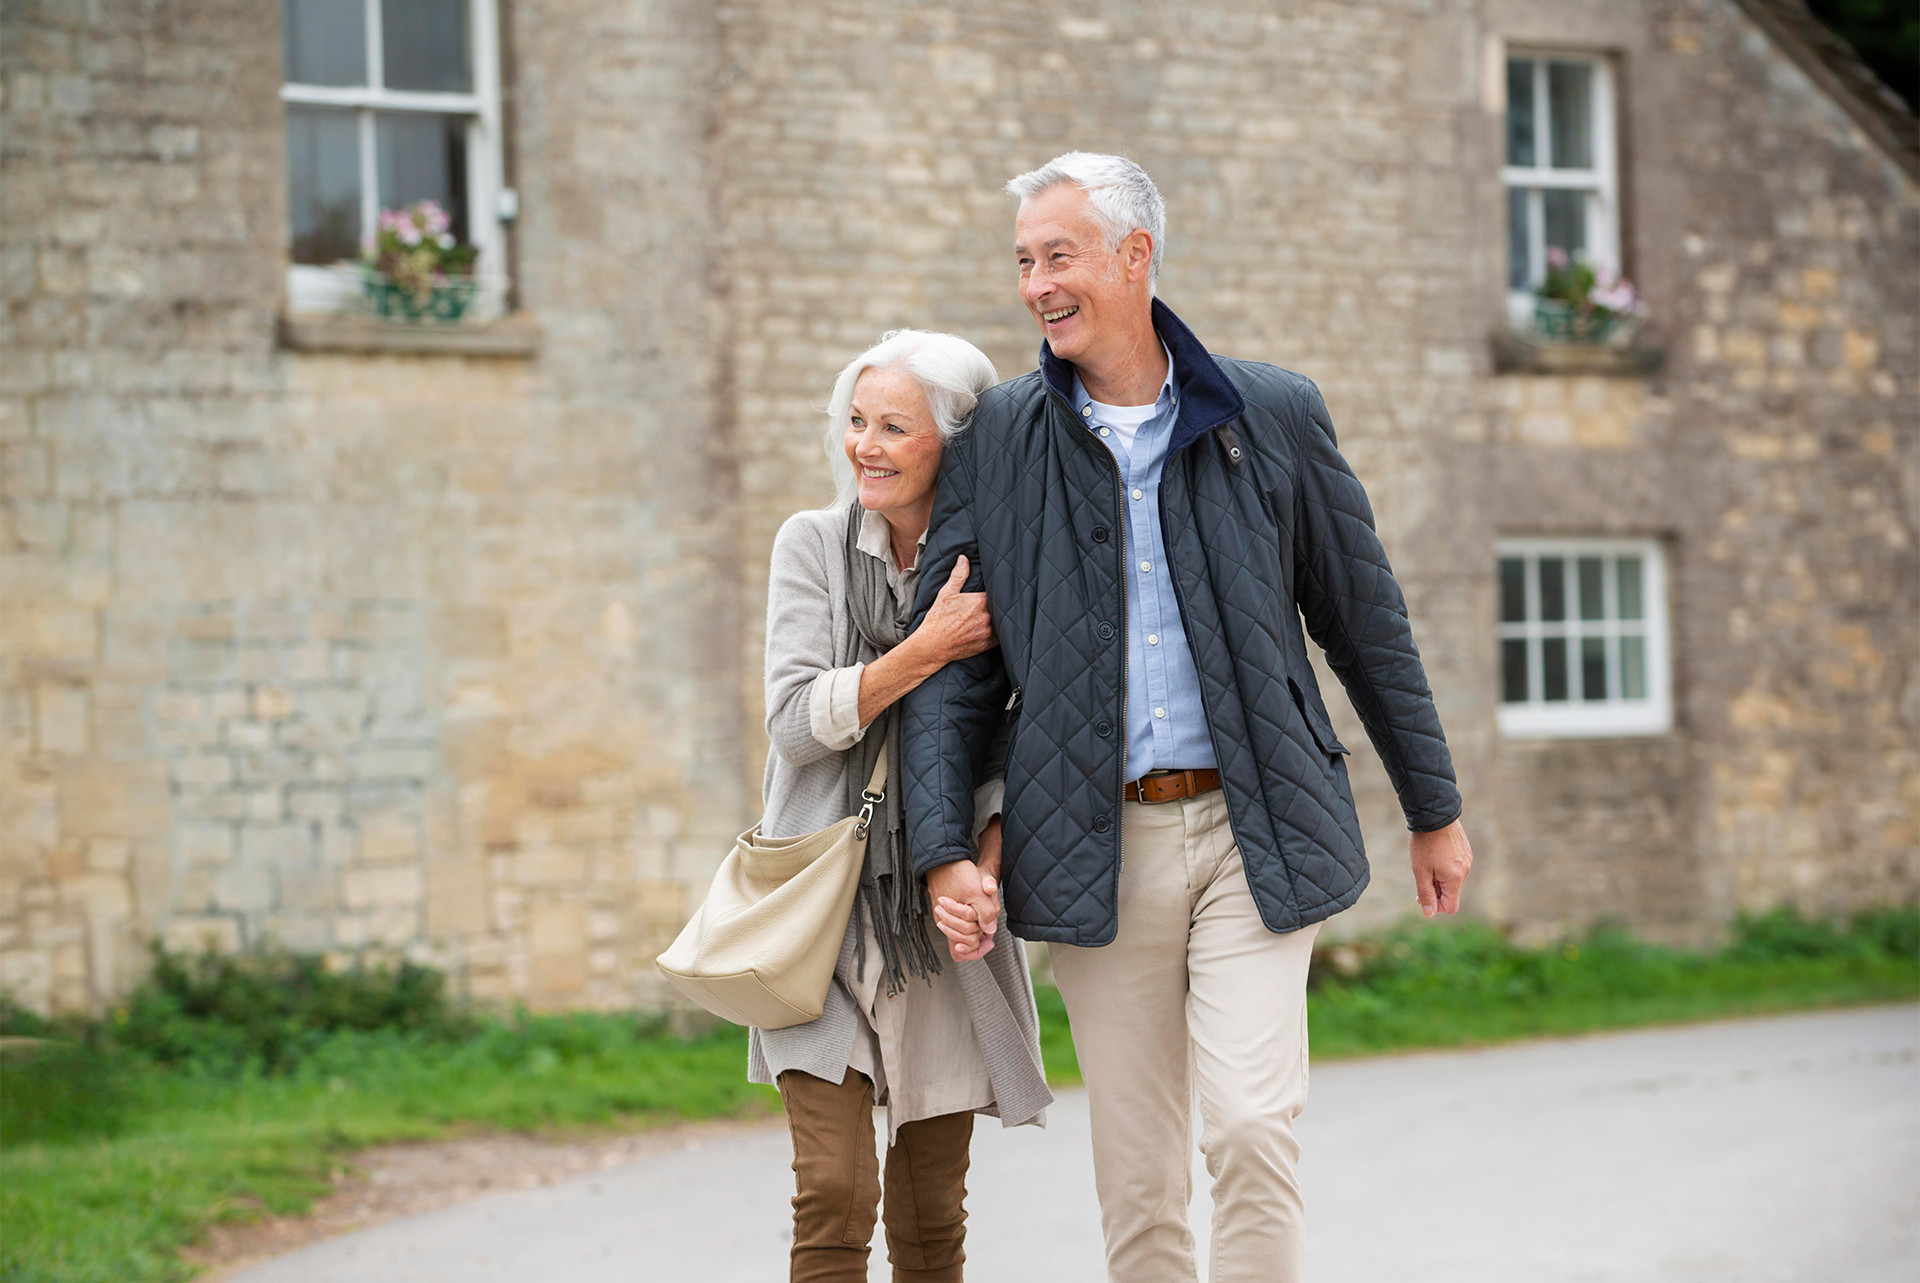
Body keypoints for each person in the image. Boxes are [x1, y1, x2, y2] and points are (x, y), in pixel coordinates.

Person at [903, 153, 1476, 1282]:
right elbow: (953, 671)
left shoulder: (1271, 413)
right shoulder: (1001, 441)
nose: (1035, 285)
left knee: (1253, 1126)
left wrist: (1434, 805)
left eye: (1057, 256)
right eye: (1024, 262)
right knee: (1142, 1174)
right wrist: (938, 849)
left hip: (1252, 826)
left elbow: (1364, 622)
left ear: (1135, 255)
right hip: (1091, 845)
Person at [752, 329, 1052, 1283]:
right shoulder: (812, 545)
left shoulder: (1005, 568)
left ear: (953, 446)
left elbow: (1021, 738)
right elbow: (798, 722)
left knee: (931, 1220)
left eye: (893, 426)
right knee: (834, 1195)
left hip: (937, 919)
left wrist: (987, 866)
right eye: (854, 420)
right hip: (819, 921)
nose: (863, 445)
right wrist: (924, 650)